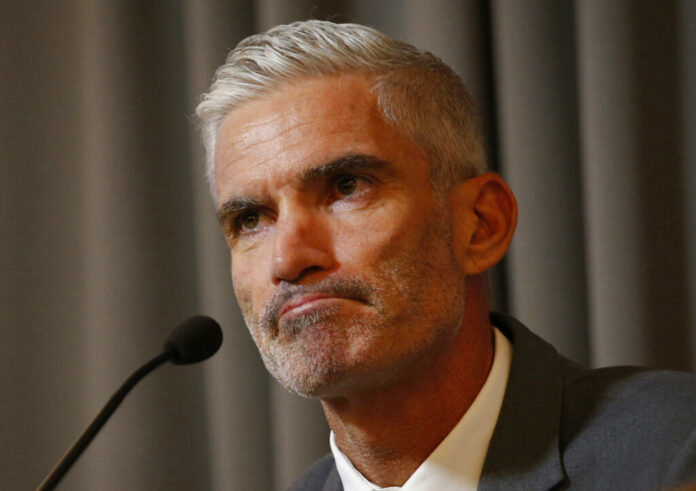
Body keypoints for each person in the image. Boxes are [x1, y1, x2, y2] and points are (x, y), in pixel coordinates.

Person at [196, 20, 696, 490]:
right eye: (251, 219)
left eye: (346, 187)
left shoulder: (673, 451)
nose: (288, 260)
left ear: (481, 225)